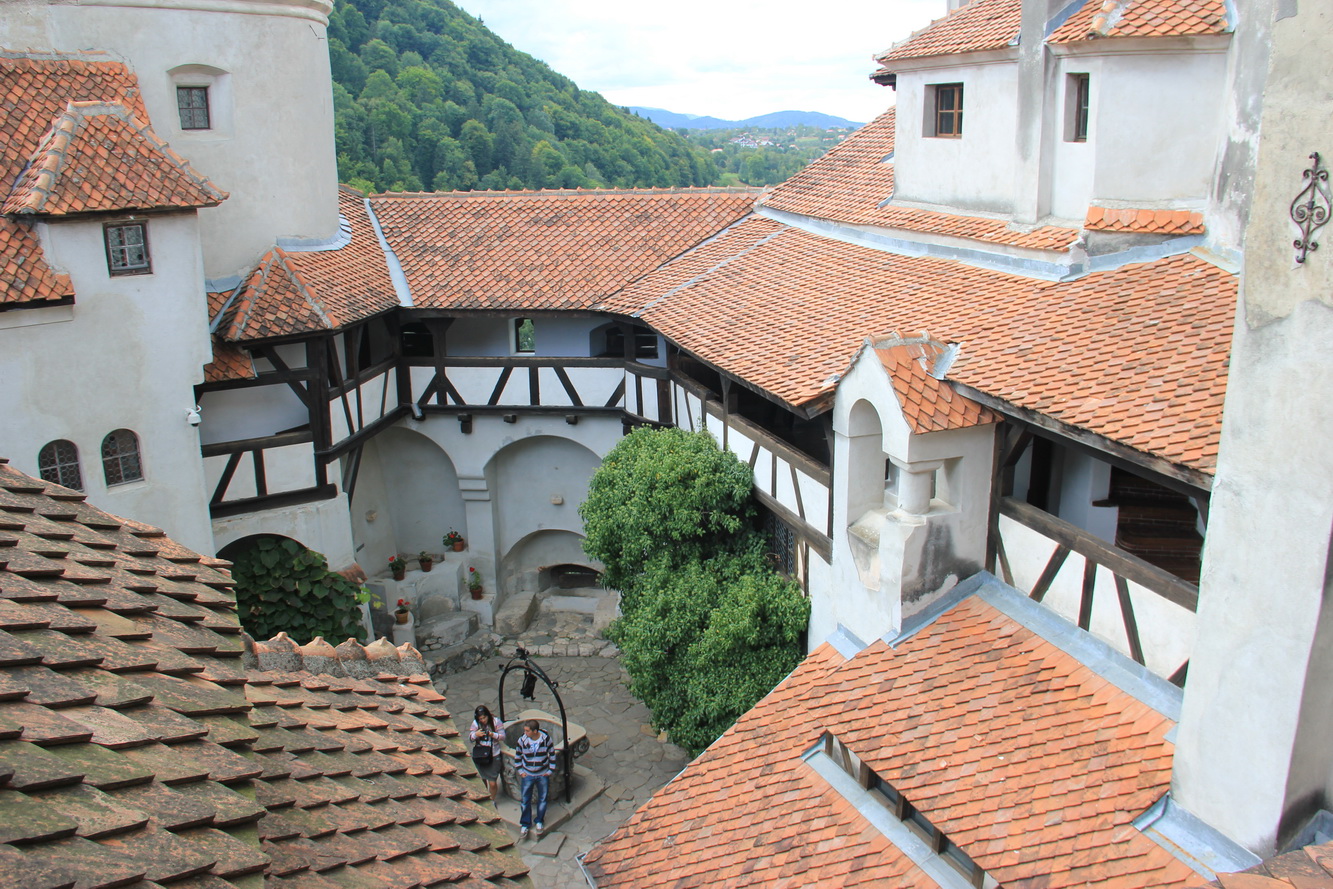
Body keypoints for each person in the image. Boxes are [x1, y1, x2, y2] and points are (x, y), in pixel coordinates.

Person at [515, 718, 554, 838]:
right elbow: (518, 755)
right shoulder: (522, 740)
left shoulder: (546, 740)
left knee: (542, 799)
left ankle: (539, 821)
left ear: (535, 731)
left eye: (527, 731)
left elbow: (552, 754)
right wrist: (521, 771)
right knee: (525, 799)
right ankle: (525, 823)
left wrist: (550, 770)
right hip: (528, 774)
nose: (525, 733)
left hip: (542, 774)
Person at [469, 705, 505, 800]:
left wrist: (492, 734)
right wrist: (476, 734)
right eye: (480, 719)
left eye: (484, 718)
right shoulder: (476, 723)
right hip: (481, 755)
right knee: (482, 779)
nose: (483, 720)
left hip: (493, 755)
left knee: (492, 783)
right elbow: (471, 737)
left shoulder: (496, 722)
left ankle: (492, 799)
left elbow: (502, 736)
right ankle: (485, 797)